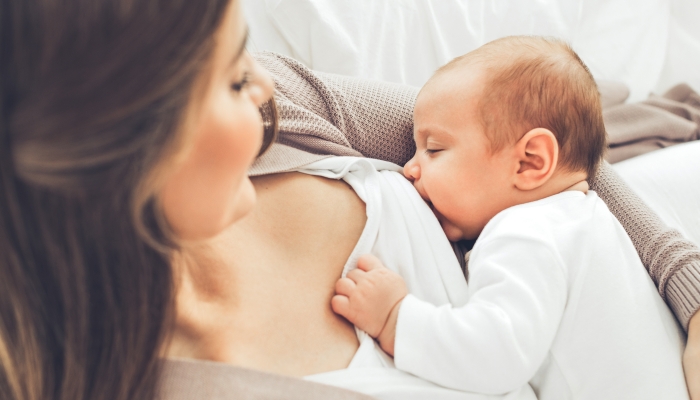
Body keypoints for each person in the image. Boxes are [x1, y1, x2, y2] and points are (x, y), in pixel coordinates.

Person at [2, 1, 700, 399]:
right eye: (232, 81)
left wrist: (688, 289)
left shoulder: (291, 116)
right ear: (123, 144)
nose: (268, 88)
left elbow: (550, 152)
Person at [330, 36, 688, 399]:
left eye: (434, 149)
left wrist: (395, 318)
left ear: (531, 161)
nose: (409, 167)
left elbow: (494, 357)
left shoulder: (526, 232)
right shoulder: (590, 220)